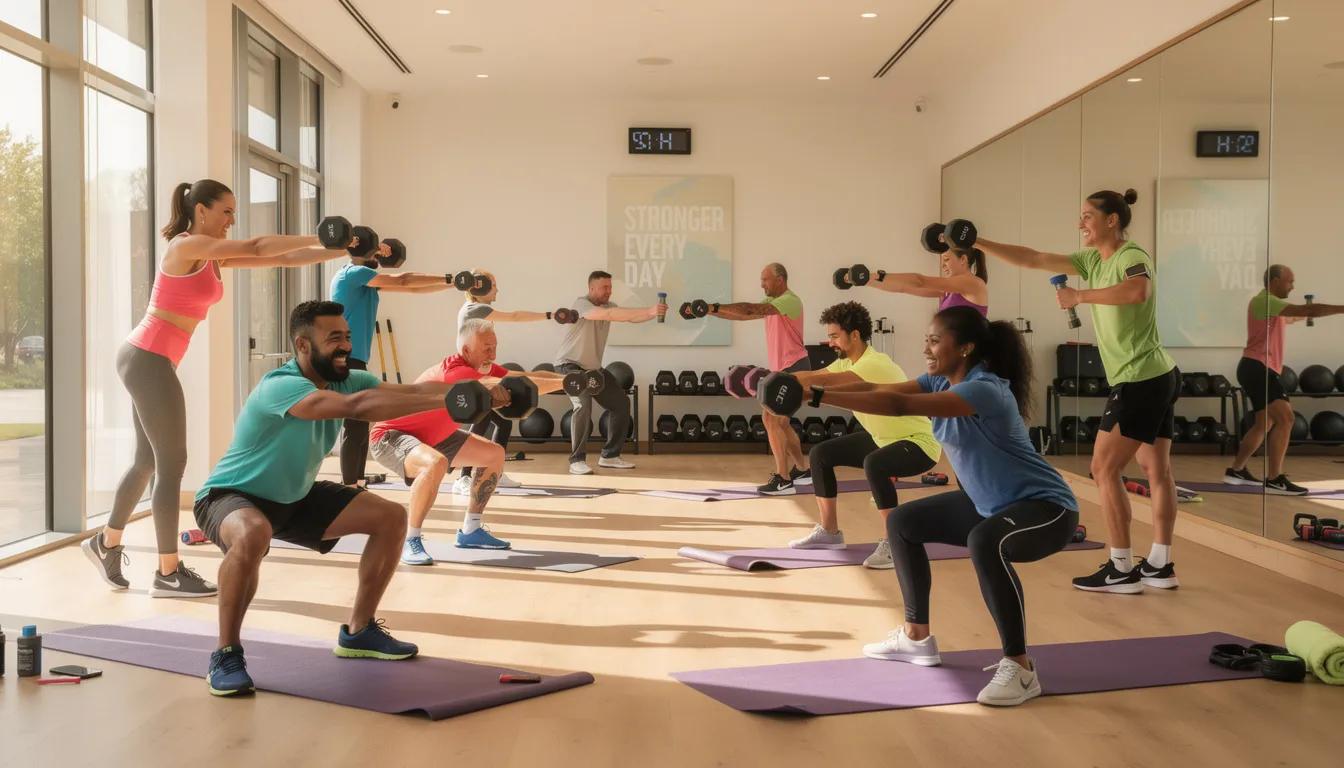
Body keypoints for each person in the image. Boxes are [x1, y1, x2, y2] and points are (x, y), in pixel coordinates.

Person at [796, 306, 1080, 707]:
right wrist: (807, 389)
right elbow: (878, 390)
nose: (926, 349)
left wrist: (817, 395)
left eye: (934, 341)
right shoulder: (937, 380)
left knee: (985, 541)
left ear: (965, 348)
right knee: (903, 523)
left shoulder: (984, 389)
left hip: (1046, 507)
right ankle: (916, 638)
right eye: (926, 340)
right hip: (988, 504)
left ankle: (1020, 669)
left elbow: (898, 405)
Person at [82, 179, 351, 599]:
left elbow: (283, 258)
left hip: (149, 358)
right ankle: (168, 572)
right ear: (201, 210)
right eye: (226, 211)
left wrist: (343, 248)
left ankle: (106, 542)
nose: (231, 220)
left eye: (233, 213)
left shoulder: (211, 256)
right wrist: (320, 233)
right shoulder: (185, 246)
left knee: (147, 461)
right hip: (147, 357)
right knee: (172, 463)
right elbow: (259, 246)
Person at [194, 300, 476, 696]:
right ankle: (225, 654)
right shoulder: (280, 386)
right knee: (252, 532)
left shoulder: (350, 379)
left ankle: (359, 632)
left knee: (390, 518)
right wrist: (454, 400)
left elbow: (413, 391)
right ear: (303, 345)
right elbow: (356, 408)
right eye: (333, 339)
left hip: (295, 497)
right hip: (231, 494)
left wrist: (479, 391)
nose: (345, 346)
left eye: (346, 336)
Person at [975, 188, 1180, 594]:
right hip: (1156, 374)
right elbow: (1033, 258)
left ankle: (1120, 568)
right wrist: (976, 241)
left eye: (1088, 216)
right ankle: (1160, 564)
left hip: (1140, 378)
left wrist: (1079, 296)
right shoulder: (1092, 260)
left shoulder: (1130, 255)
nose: (1081, 223)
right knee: (1156, 470)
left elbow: (1139, 290)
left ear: (1111, 220)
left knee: (1104, 469)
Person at [370, 318, 571, 564]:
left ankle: (471, 531)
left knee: (493, 455)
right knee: (434, 463)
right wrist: (568, 383)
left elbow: (526, 377)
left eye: (495, 347)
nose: (493, 354)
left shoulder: (484, 367)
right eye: (487, 348)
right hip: (392, 435)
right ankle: (409, 539)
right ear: (466, 350)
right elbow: (519, 386)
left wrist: (571, 380)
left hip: (435, 435)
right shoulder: (457, 372)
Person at [784, 301, 941, 570]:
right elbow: (814, 374)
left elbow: (826, 383)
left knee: (875, 463)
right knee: (821, 454)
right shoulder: (846, 362)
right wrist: (772, 377)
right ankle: (829, 532)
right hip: (882, 439)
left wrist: (783, 383)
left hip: (918, 443)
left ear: (854, 335)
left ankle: (894, 543)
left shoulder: (872, 364)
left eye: (835, 336)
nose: (831, 342)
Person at [330, 245, 460, 490]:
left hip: (354, 358)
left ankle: (357, 484)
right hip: (345, 358)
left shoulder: (364, 281)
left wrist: (453, 284)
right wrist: (449, 278)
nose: (380, 256)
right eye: (376, 251)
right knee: (355, 424)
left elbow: (411, 287)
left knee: (361, 422)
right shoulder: (354, 272)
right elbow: (404, 279)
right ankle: (349, 488)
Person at [1226, 265, 1344, 495]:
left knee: (1264, 424)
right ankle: (1275, 479)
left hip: (1255, 368)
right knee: (1287, 419)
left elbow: (1295, 316)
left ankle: (1236, 470)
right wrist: (1340, 309)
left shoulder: (1273, 309)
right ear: (1275, 281)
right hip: (1259, 368)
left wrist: (1307, 314)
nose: (1293, 287)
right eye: (1290, 282)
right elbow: (1307, 310)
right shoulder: (1264, 301)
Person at [698, 263, 813, 494]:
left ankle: (783, 479)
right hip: (783, 369)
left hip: (795, 367)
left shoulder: (790, 301)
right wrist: (708, 310)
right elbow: (742, 316)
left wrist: (713, 306)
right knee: (780, 423)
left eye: (765, 279)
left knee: (771, 420)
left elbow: (749, 310)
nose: (762, 285)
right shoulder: (772, 303)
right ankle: (802, 470)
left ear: (779, 280)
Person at [451, 270, 558, 494]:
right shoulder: (474, 309)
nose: (497, 290)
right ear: (480, 286)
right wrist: (550, 315)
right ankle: (464, 478)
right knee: (481, 422)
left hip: (483, 372)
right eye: (494, 285)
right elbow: (515, 316)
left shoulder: (475, 309)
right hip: (474, 376)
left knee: (504, 422)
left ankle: (493, 472)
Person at [556, 270, 667, 475]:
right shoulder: (581, 305)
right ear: (591, 288)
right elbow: (609, 315)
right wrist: (649, 309)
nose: (609, 291)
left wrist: (652, 313)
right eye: (604, 287)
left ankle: (610, 455)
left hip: (592, 369)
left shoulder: (609, 306)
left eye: (610, 287)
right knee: (583, 404)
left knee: (621, 403)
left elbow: (630, 318)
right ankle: (576, 460)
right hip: (569, 366)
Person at [854, 246, 989, 316]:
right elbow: (903, 288)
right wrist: (866, 280)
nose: (942, 265)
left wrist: (879, 276)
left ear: (963, 259)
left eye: (946, 259)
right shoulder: (948, 291)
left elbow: (919, 281)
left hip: (970, 356)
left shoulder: (973, 284)